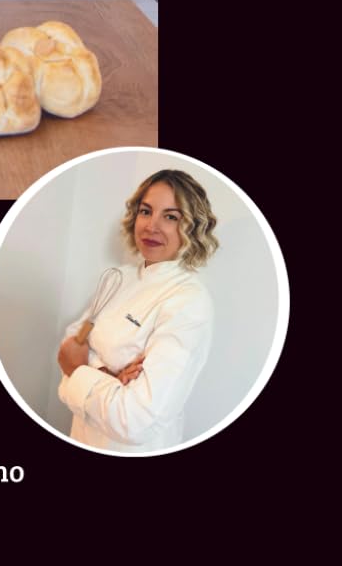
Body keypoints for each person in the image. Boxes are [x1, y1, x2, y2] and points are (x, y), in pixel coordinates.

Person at [55, 169, 219, 452]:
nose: (151, 226)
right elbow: (72, 342)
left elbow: (137, 421)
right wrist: (108, 376)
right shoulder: (118, 278)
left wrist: (78, 370)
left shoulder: (188, 301)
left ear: (192, 227)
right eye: (146, 211)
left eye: (171, 216)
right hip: (82, 435)